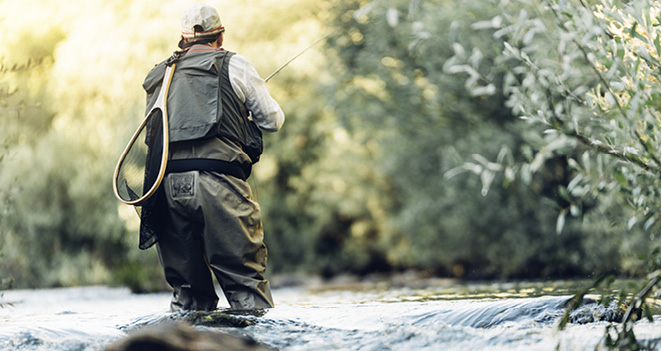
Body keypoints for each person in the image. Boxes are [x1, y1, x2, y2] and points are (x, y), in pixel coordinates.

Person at [140, 3, 284, 311]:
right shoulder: (235, 64)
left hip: (164, 189)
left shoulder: (158, 75)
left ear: (182, 39)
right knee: (245, 287)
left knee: (188, 295)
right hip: (219, 184)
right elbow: (273, 121)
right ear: (220, 37)